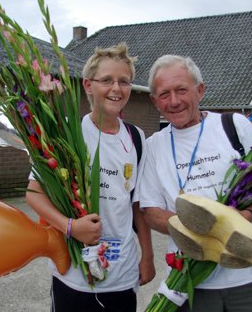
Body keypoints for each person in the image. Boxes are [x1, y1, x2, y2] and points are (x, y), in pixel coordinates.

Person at [135, 55, 252, 311]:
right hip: (191, 284)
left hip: (251, 277)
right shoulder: (153, 147)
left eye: (182, 90)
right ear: (154, 101)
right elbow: (150, 212)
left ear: (200, 90)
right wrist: (197, 228)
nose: (174, 101)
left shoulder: (234, 126)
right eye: (164, 94)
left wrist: (246, 215)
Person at [26, 42, 155, 312]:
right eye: (106, 80)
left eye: (124, 81)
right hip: (73, 277)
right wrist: (71, 226)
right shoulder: (65, 133)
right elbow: (34, 193)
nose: (116, 89)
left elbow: (136, 205)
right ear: (87, 85)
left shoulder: (137, 138)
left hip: (122, 275)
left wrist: (148, 255)